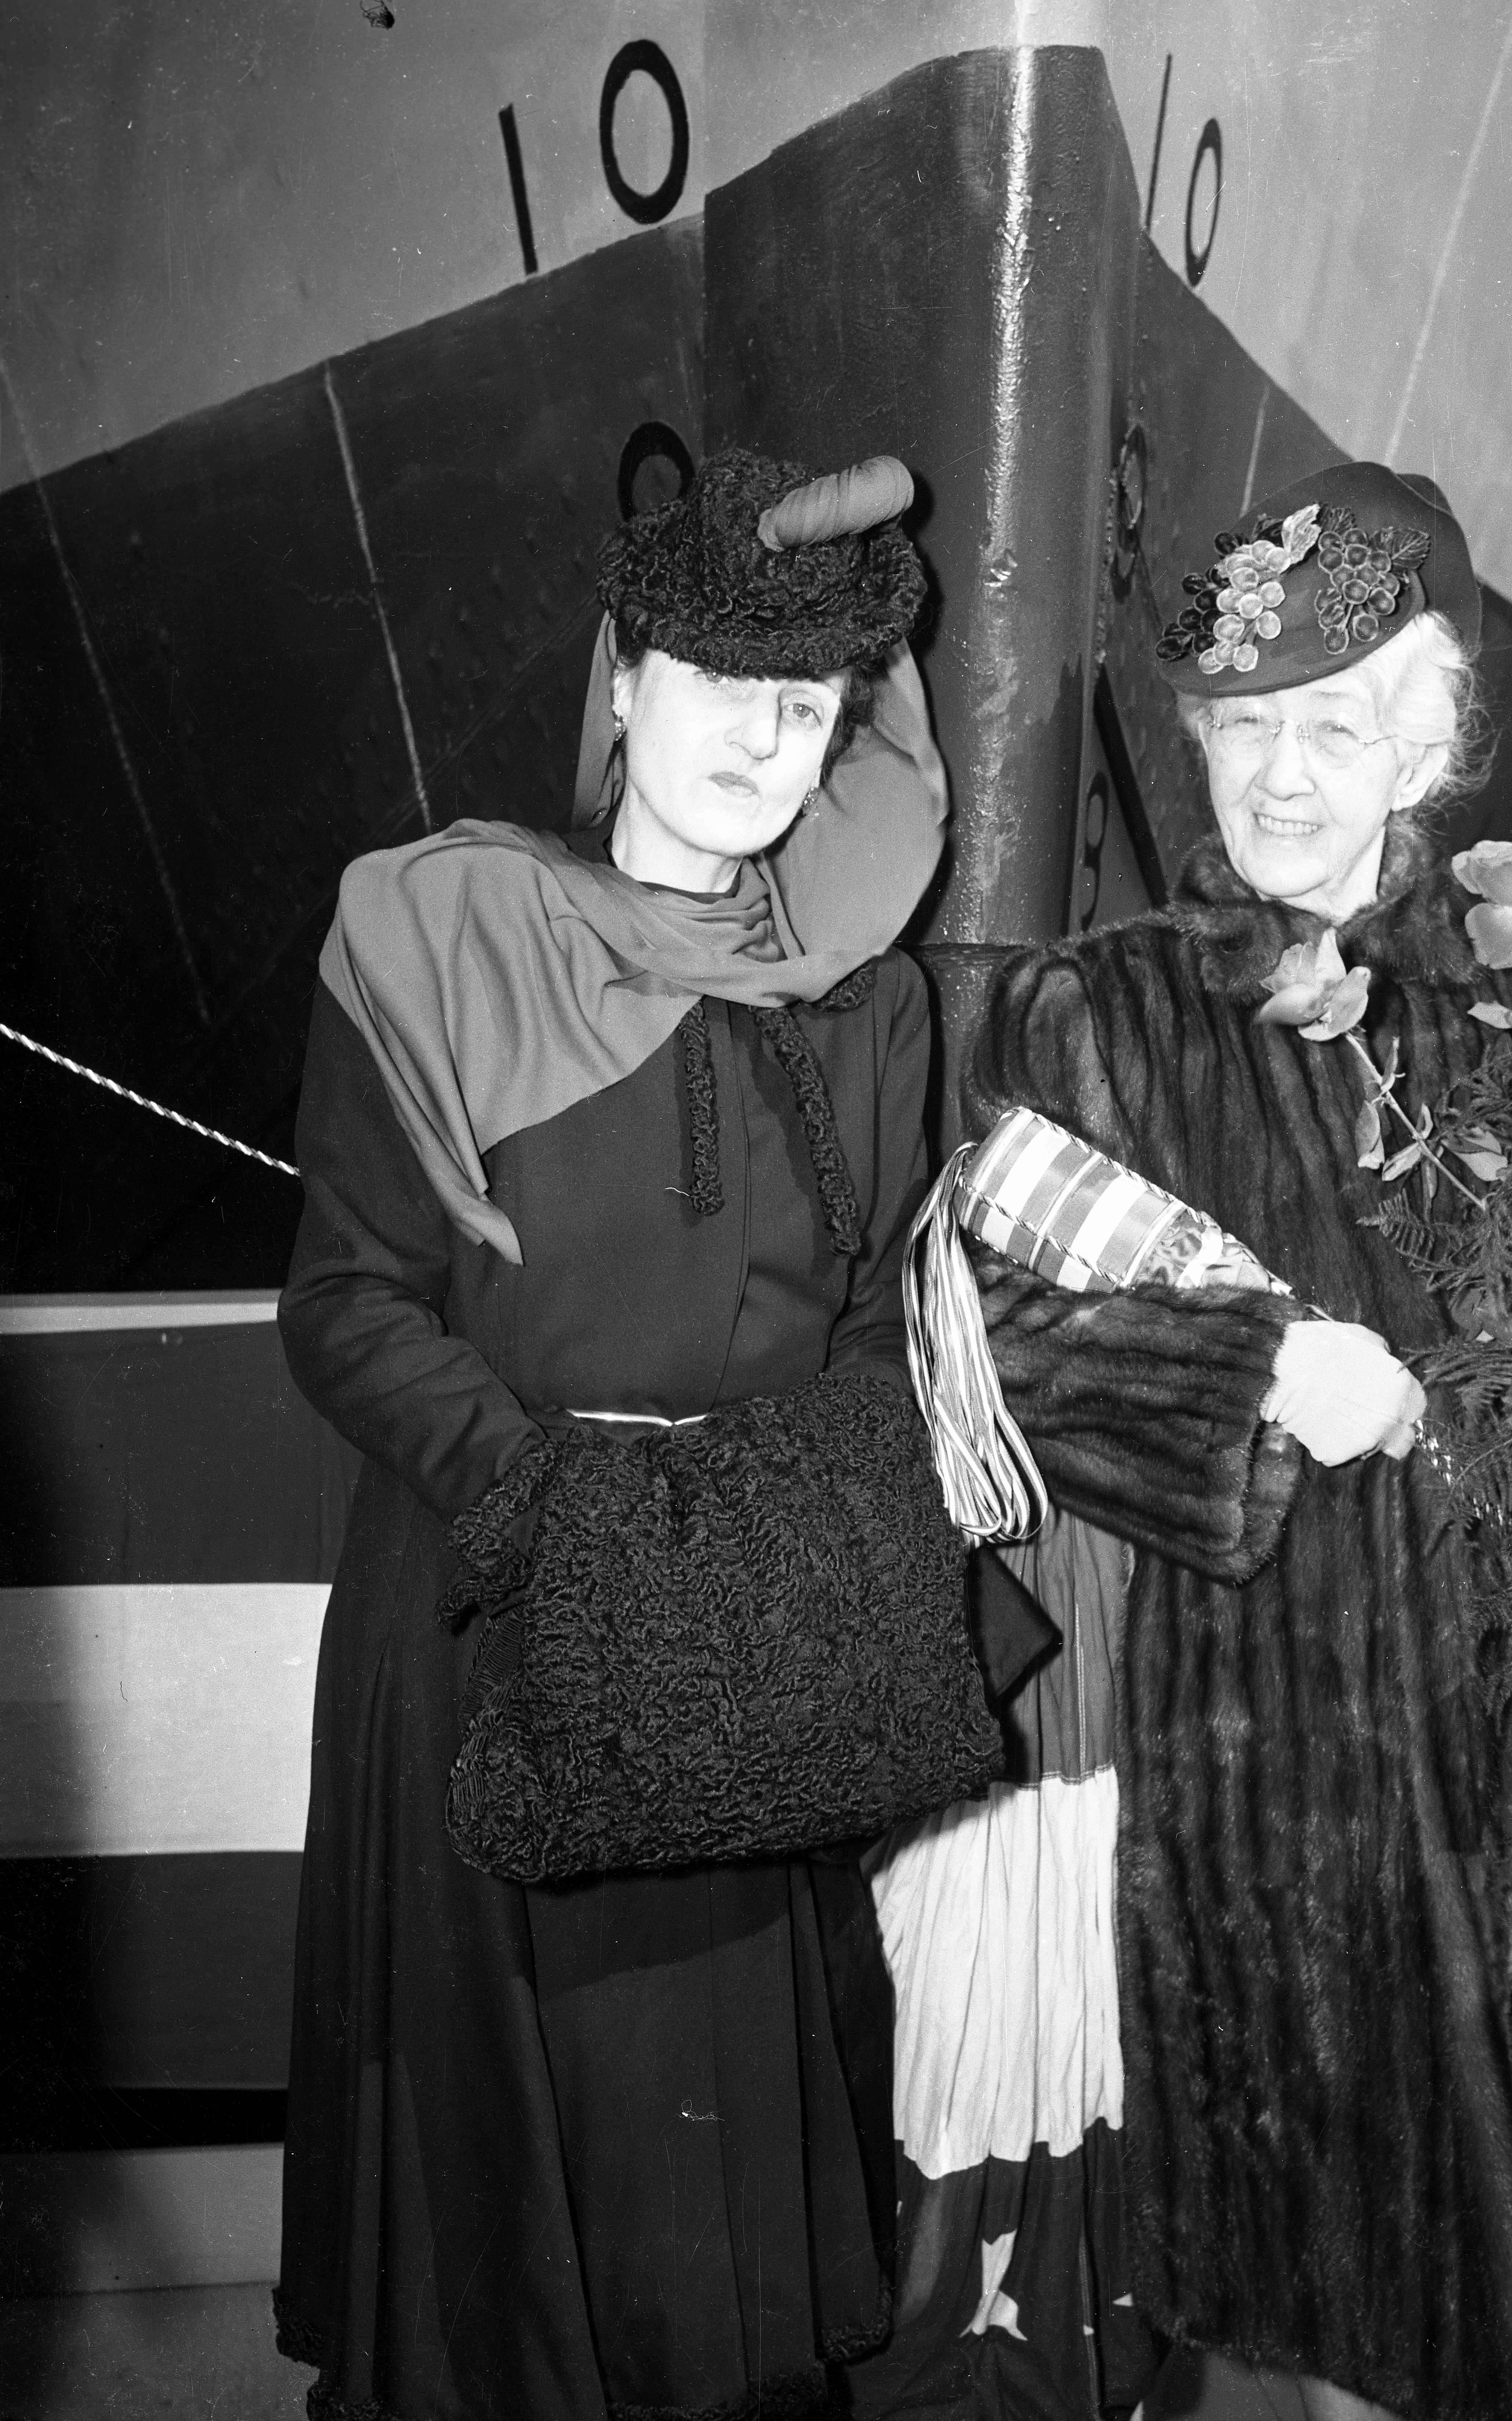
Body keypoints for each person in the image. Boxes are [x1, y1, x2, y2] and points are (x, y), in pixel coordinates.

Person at [863, 464, 1512, 2421]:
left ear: (1421, 738)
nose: (1274, 777)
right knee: (1372, 2303)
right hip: (1288, 1784)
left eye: (1327, 728)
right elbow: (993, 1335)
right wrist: (1252, 1375)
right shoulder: (1114, 1013)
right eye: (1242, 730)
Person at [274, 448, 976, 2421]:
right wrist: (553, 1508)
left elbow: (864, 1337)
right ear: (627, 683)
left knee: (718, 2279)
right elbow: (343, 1305)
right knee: (495, 2281)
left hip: (747, 1645)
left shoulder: (872, 1005)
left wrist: (776, 1541)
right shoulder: (441, 935)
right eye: (726, 684)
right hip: (489, 1614)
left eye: (814, 705)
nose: (770, 740)